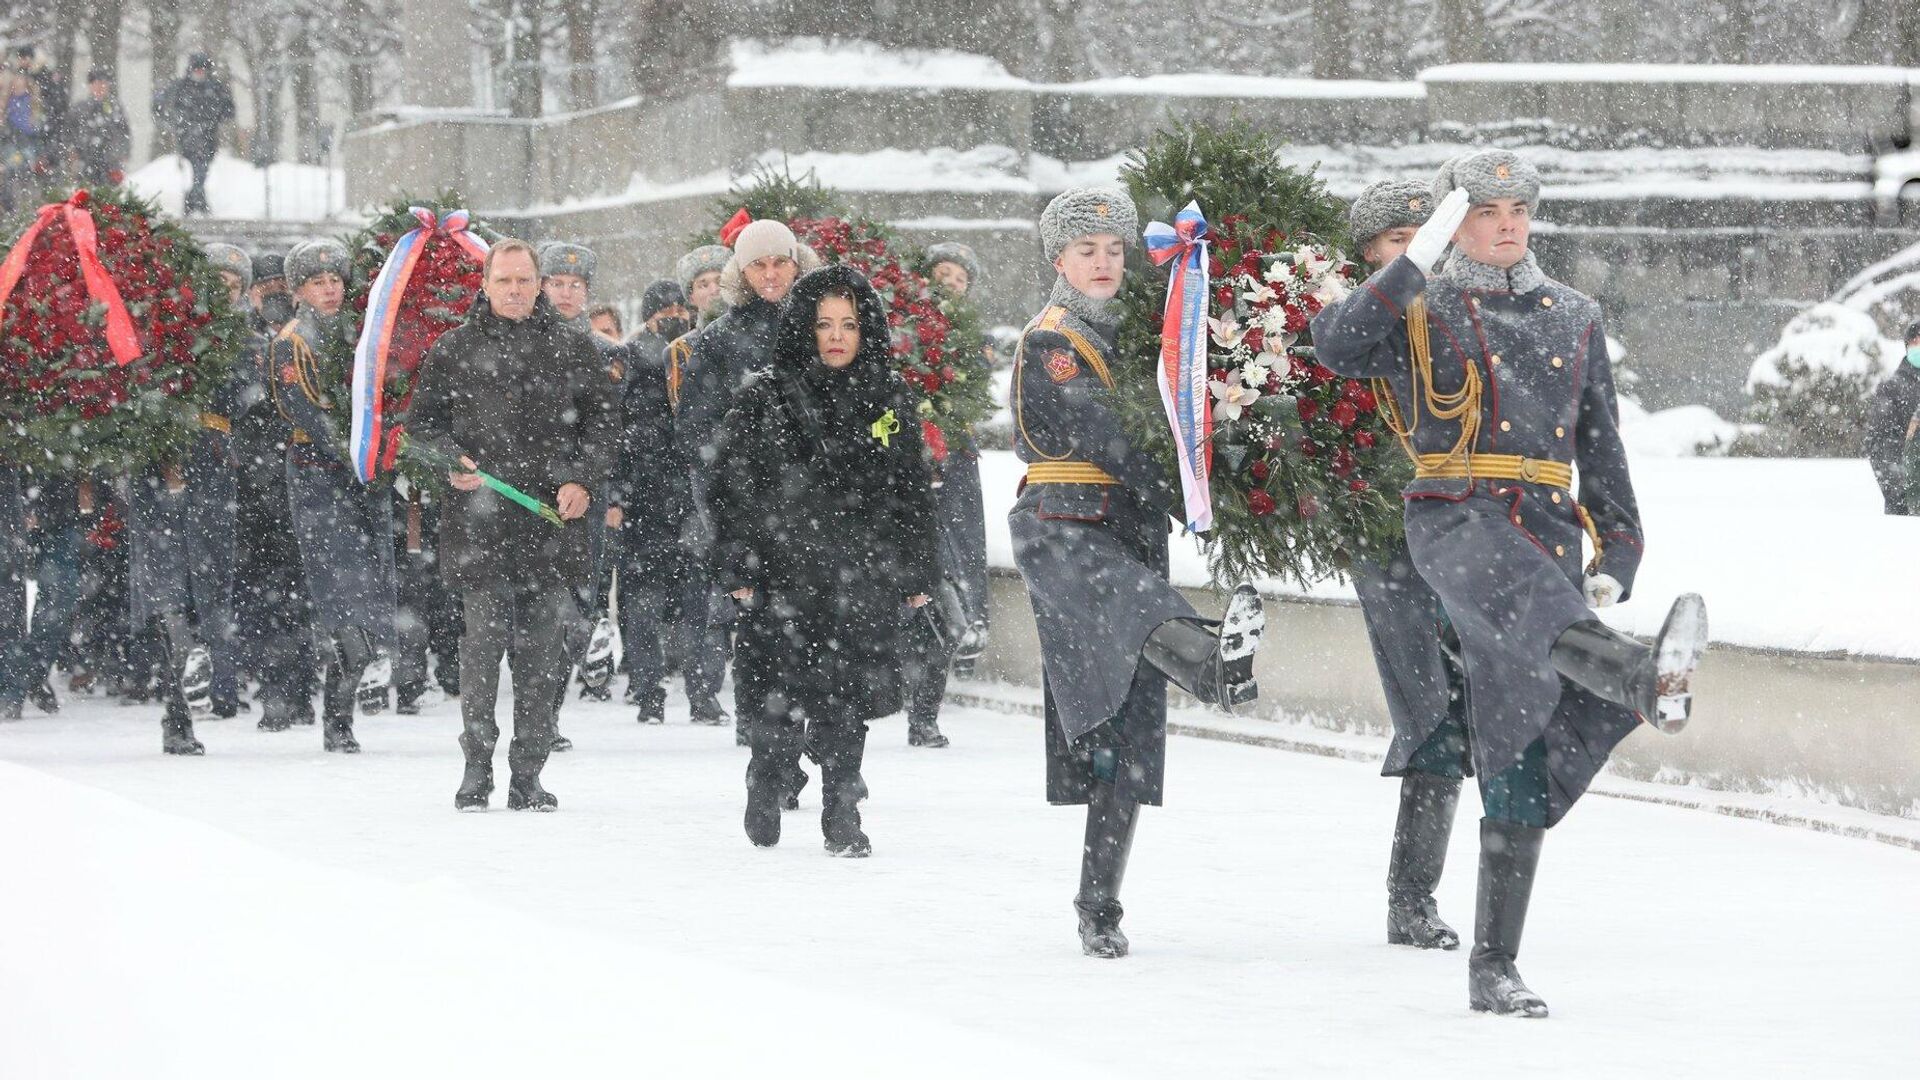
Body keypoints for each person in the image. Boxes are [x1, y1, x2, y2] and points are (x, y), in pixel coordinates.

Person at [1312, 149, 1710, 1018]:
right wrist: (1415, 258)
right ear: (1458, 218)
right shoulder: (1420, 299)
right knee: (1527, 612)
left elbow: (1599, 436)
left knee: (1519, 738)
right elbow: (1335, 346)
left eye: (1517, 210)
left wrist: (1622, 546)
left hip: (1548, 523)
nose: (1504, 223)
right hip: (1454, 507)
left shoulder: (1572, 312)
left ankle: (1495, 967)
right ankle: (1639, 676)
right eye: (1485, 209)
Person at [1008, 188, 1267, 959]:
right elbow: (1106, 431)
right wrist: (1195, 486)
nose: (1103, 263)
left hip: (1126, 523)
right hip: (1064, 523)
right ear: (1058, 260)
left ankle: (1100, 904)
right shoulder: (1053, 340)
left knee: (1125, 726)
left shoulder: (1146, 336)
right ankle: (1209, 665)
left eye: (1116, 251)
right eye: (1086, 251)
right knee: (1135, 614)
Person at [707, 263, 940, 855]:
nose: (836, 336)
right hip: (781, 575)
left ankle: (842, 808)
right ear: (802, 329)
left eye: (849, 324)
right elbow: (730, 488)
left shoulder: (888, 396)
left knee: (844, 701)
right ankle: (767, 777)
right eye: (823, 324)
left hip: (861, 574)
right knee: (778, 696)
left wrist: (915, 570)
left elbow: (911, 487)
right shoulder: (766, 395)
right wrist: (737, 565)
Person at [407, 238, 619, 812]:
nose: (516, 290)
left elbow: (603, 429)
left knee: (543, 655)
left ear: (540, 282)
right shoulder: (453, 349)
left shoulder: (574, 349)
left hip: (550, 524)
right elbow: (420, 430)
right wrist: (449, 461)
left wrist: (582, 480)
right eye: (505, 281)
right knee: (481, 651)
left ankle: (529, 773)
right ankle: (477, 767)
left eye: (526, 280)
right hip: (479, 525)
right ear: (486, 283)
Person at [1332, 180, 1476, 952]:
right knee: (1431, 717)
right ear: (1368, 258)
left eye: (1422, 237)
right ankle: (1411, 897)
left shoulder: (1468, 319)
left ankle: (1475, 886)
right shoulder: (1365, 326)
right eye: (1394, 242)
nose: (1413, 253)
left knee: (1485, 708)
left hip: (1469, 529)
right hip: (1390, 539)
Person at [677, 224, 822, 742]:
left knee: (825, 629)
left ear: (797, 262)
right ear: (742, 273)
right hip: (753, 507)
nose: (771, 274)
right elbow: (696, 430)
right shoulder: (720, 340)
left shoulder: (829, 327)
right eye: (758, 265)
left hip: (822, 504)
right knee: (760, 628)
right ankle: (768, 742)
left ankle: (830, 745)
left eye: (779, 262)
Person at [122, 243, 258, 753]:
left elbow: (250, 399)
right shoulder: (164, 328)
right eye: (215, 279)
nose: (223, 290)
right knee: (164, 583)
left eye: (232, 282)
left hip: (213, 464)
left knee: (208, 578)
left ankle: (203, 688)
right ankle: (176, 701)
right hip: (158, 465)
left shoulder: (246, 337)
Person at [271, 239, 395, 752]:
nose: (329, 289)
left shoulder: (355, 332)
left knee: (369, 586)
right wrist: (354, 451)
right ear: (299, 289)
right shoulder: (292, 340)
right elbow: (305, 411)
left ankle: (344, 709)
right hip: (319, 473)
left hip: (360, 471)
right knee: (341, 593)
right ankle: (337, 717)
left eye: (336, 281)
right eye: (318, 282)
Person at [900, 240, 992, 748]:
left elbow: (973, 395)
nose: (950, 283)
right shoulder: (904, 330)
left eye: (960, 278)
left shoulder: (969, 339)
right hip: (906, 466)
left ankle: (926, 710)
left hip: (953, 461)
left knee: (950, 566)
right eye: (944, 274)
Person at [616, 280, 721, 724]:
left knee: (698, 601)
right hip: (647, 501)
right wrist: (620, 492)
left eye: (681, 308)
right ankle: (648, 691)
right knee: (645, 602)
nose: (675, 315)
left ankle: (701, 692)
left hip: (692, 498)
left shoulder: (703, 353)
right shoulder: (636, 358)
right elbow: (621, 432)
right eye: (666, 310)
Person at [537, 241, 620, 740]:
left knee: (574, 599)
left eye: (576, 286)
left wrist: (606, 490)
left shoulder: (607, 353)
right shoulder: (520, 343)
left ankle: (550, 713)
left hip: (584, 488)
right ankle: (537, 713)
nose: (565, 294)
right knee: (535, 604)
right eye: (556, 284)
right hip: (527, 487)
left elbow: (615, 429)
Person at [156, 54, 234, 216]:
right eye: (197, 69)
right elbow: (161, 104)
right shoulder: (181, 87)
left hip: (207, 137)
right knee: (198, 168)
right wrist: (177, 122)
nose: (199, 73)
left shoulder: (214, 88)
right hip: (188, 137)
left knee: (202, 168)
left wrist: (213, 120)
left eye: (202, 70)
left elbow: (228, 109)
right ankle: (196, 198)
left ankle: (194, 198)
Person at [1865, 320, 1920, 515]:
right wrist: (1902, 491)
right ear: (1907, 347)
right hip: (1907, 506)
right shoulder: (1892, 388)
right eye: (1916, 342)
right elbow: (1879, 443)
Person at [67, 69, 130, 186]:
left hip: (111, 163)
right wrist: (73, 152)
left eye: (103, 83)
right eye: (95, 83)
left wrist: (123, 154)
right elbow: (70, 133)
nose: (99, 87)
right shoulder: (80, 108)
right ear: (90, 86)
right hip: (85, 162)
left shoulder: (115, 107)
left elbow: (124, 132)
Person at [249, 252, 293, 336]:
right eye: (266, 289)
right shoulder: (238, 336)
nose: (276, 294)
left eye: (282, 287)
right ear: (252, 296)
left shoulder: (312, 332)